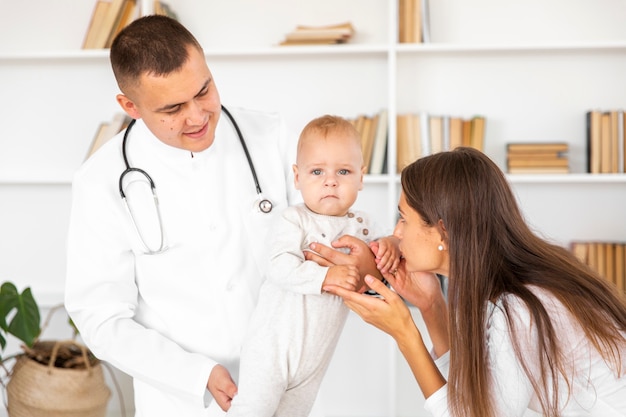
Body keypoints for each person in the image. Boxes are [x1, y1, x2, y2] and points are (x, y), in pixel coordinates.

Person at [64, 15, 302, 417]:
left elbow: (318, 239)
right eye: (173, 108)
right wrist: (196, 375)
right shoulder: (100, 181)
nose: (197, 116)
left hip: (288, 384)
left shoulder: (270, 136)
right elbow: (100, 317)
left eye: (204, 90)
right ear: (130, 106)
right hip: (181, 400)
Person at [314, 147, 626, 417]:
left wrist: (405, 333)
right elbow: (471, 399)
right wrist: (431, 305)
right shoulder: (492, 284)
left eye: (405, 219)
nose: (396, 233)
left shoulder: (518, 307)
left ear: (443, 232)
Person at [227, 115, 401, 416]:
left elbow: (385, 257)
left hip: (315, 360)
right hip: (272, 348)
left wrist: (391, 244)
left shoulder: (363, 225)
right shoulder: (294, 220)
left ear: (361, 177)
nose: (330, 180)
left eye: (343, 171)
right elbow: (278, 266)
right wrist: (325, 276)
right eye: (317, 171)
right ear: (297, 177)